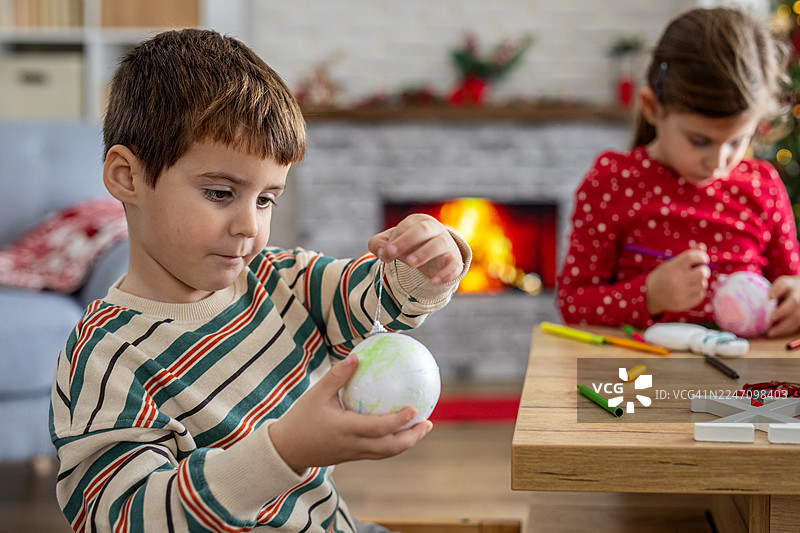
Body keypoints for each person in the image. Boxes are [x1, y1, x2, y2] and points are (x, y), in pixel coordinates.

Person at [49, 29, 471, 533]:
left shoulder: (281, 279)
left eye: (266, 199)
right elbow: (120, 519)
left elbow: (384, 300)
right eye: (222, 192)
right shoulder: (107, 355)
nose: (250, 226)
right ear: (127, 177)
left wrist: (427, 261)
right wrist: (284, 451)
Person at [556, 7, 800, 337]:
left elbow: (791, 284)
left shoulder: (763, 186)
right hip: (641, 377)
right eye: (699, 141)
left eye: (737, 141)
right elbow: (573, 304)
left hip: (747, 381)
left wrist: (795, 299)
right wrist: (649, 295)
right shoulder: (612, 182)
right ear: (652, 108)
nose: (717, 162)